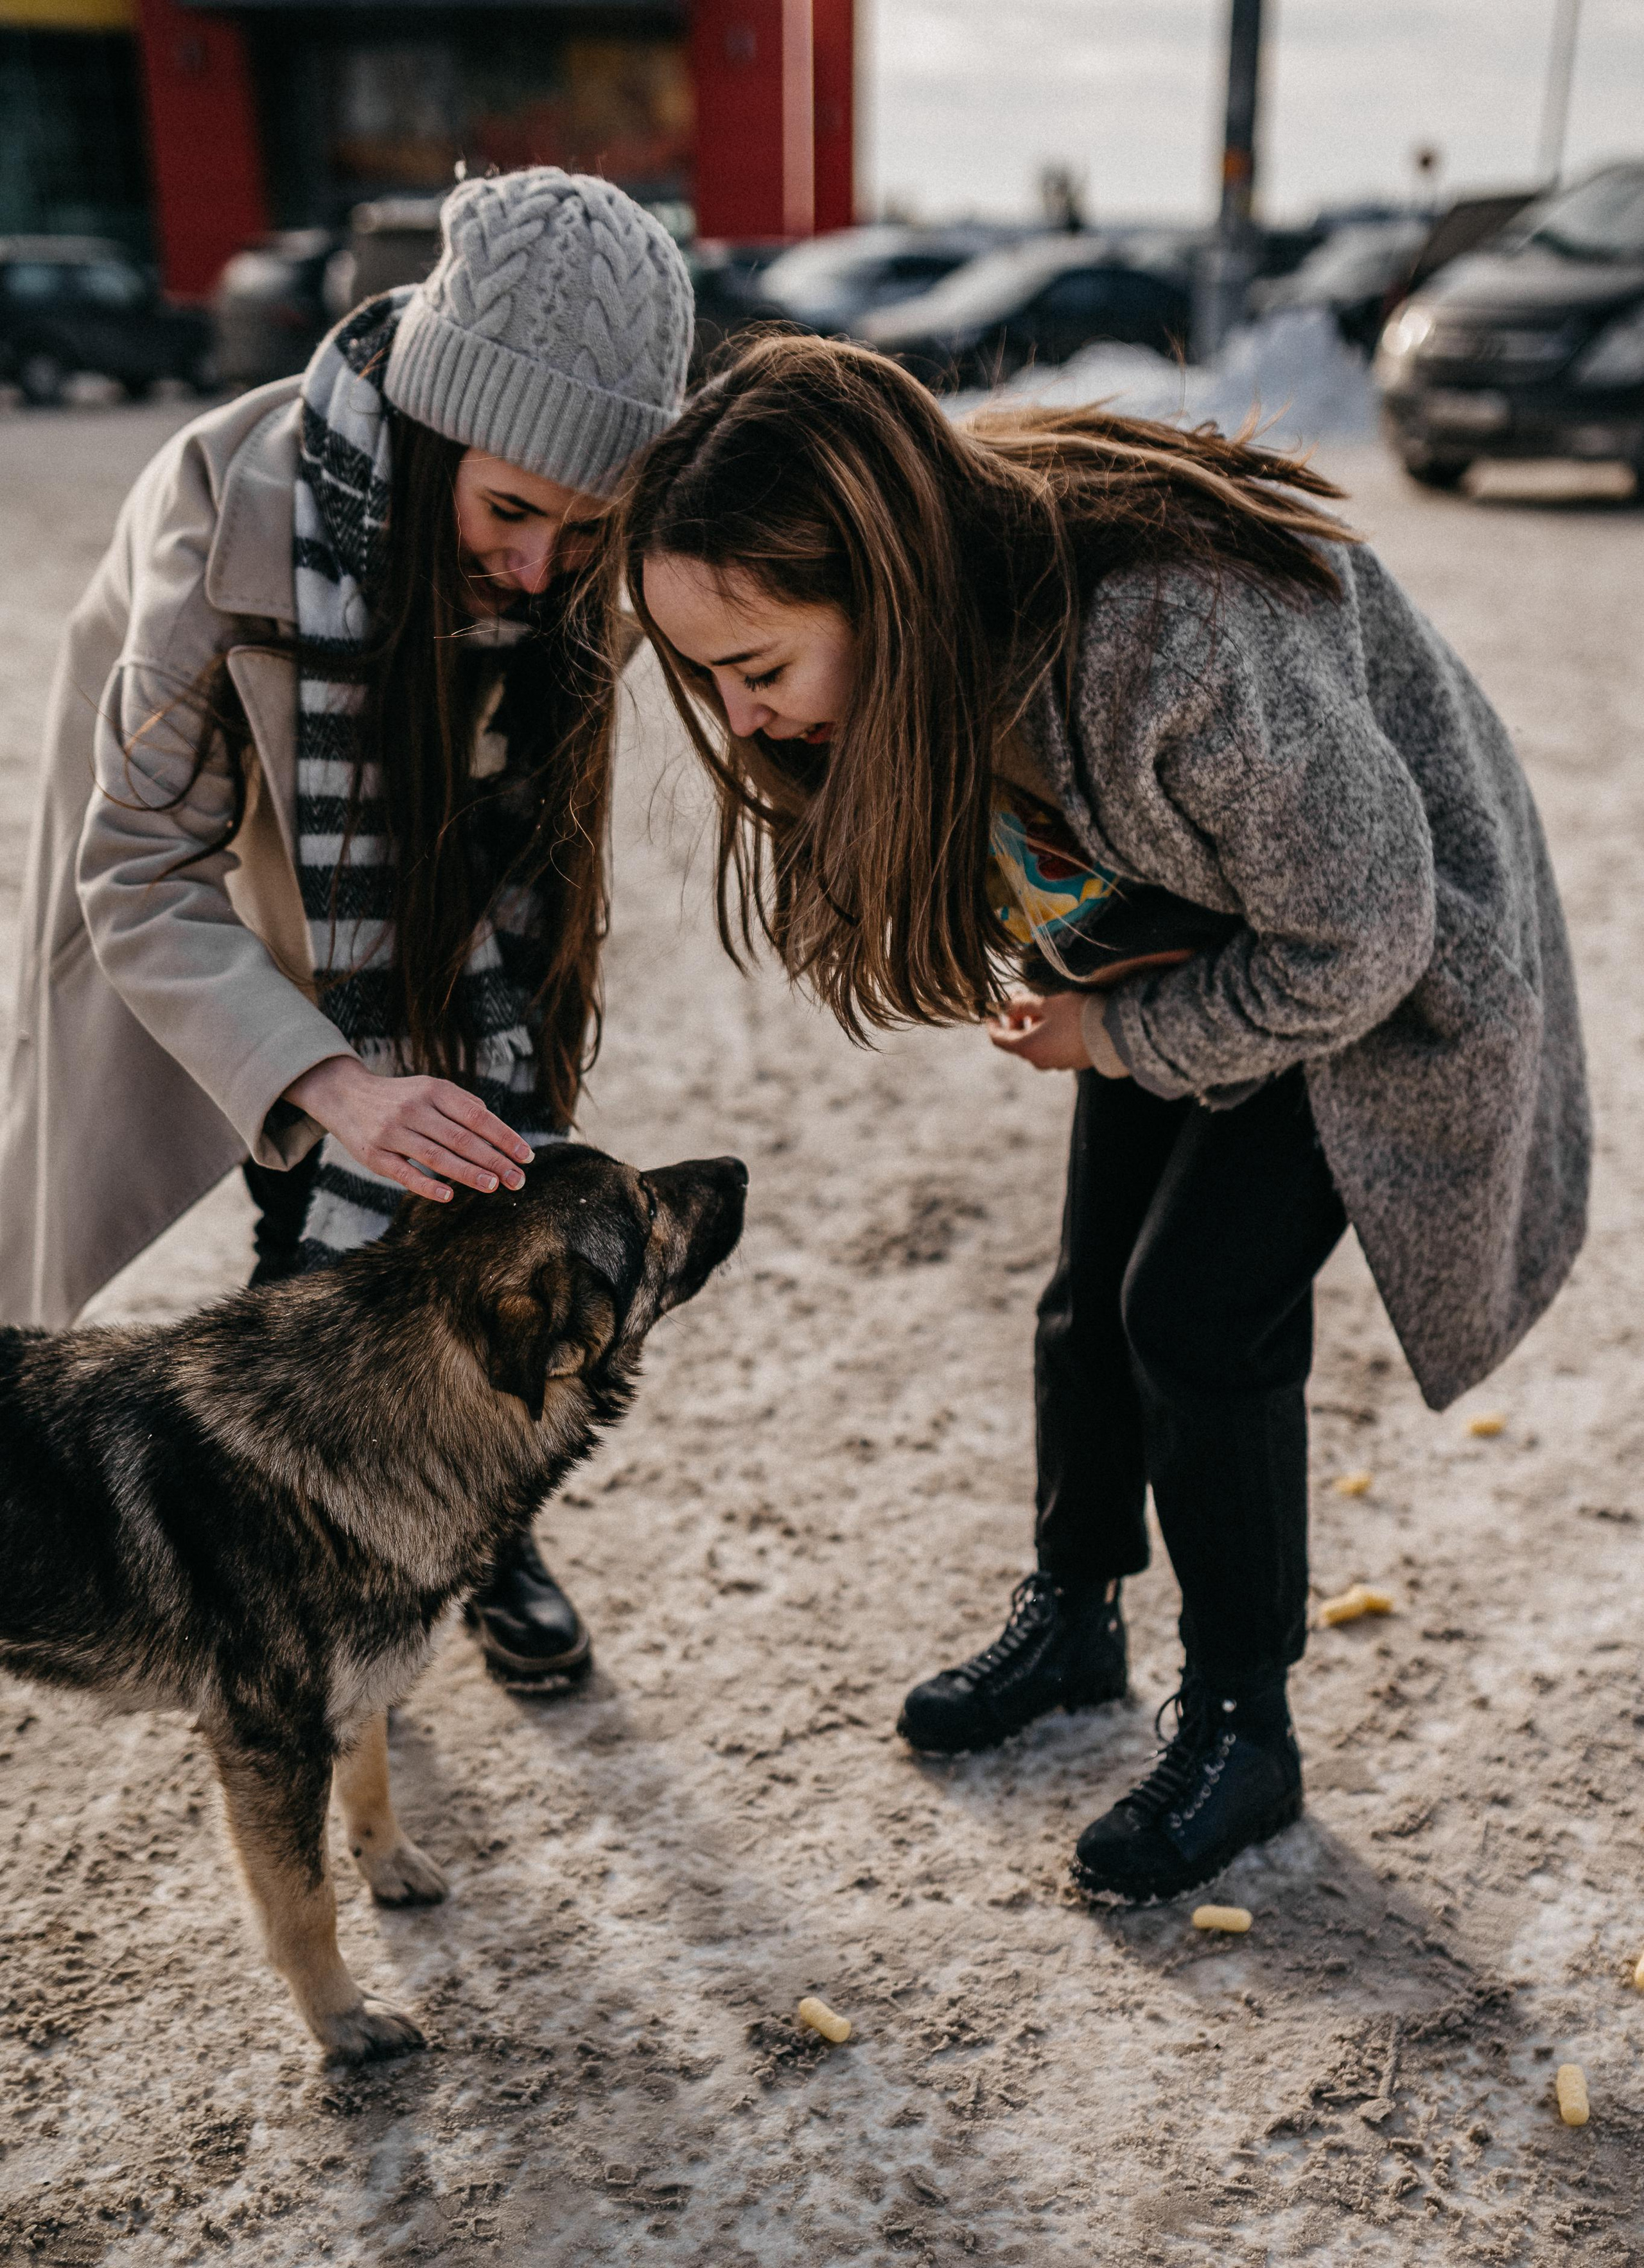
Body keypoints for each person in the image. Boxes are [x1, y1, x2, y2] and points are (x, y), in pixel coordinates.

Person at [619, 331, 1590, 1903]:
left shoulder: (1168, 645)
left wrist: (1121, 1031)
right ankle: (1075, 1613)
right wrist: (1107, 998)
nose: (738, 724)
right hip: (1190, 921)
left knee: (1191, 1314)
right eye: (708, 681)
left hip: (1369, 968)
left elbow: (1363, 934)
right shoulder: (949, 614)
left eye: (758, 671)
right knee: (1087, 1300)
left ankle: (1241, 1726)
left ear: (890, 583)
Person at [0, 169, 694, 1696]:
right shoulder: (224, 507)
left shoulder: (568, 550)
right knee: (312, 1206)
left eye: (585, 529)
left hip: (467, 924)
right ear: (440, 429)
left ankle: (480, 1529)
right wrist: (333, 1084)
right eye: (509, 510)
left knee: (492, 1193)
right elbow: (142, 867)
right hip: (247, 902)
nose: (538, 571)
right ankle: (294, 1572)